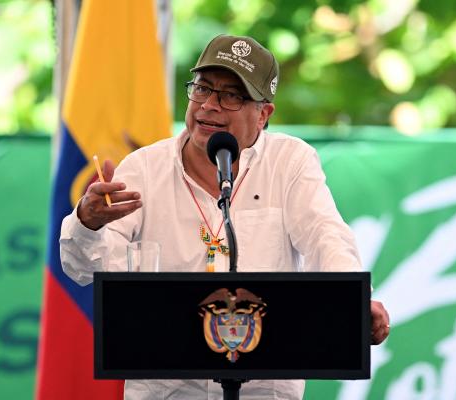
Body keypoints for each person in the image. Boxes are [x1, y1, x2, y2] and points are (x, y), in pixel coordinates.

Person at [60, 34, 390, 399]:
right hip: (167, 389)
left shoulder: (289, 162)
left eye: (231, 95)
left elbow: (325, 236)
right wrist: (88, 224)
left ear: (264, 114)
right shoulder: (143, 168)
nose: (210, 105)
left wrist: (353, 301)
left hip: (262, 389)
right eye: (202, 88)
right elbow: (84, 270)